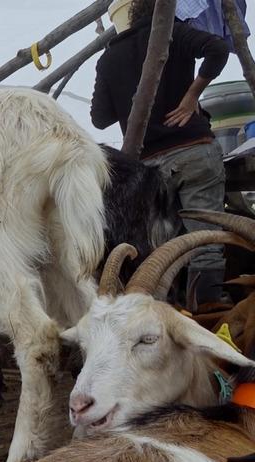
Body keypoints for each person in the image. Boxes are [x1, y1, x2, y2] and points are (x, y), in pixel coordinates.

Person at [91, 0, 231, 304]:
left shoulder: (110, 57)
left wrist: (128, 99)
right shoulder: (175, 33)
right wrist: (191, 96)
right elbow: (218, 49)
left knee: (159, 249)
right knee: (205, 238)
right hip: (194, 152)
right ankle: (207, 308)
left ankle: (164, 311)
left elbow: (99, 118)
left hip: (147, 171)